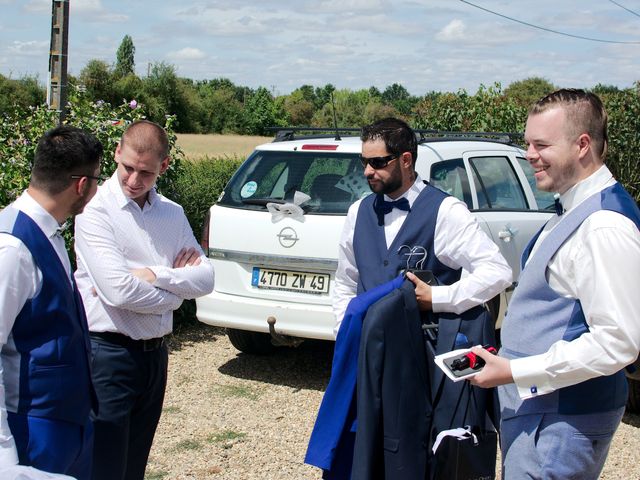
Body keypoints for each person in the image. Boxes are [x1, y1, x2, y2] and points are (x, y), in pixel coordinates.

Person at [471, 89, 640, 479]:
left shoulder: (604, 226)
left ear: (583, 145)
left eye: (541, 144)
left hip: (562, 421)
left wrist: (515, 372)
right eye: (527, 143)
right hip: (544, 415)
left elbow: (617, 341)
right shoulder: (574, 207)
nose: (529, 154)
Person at [329, 117, 512, 477]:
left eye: (378, 163)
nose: (368, 171)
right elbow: (345, 280)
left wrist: (438, 297)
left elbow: (496, 272)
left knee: (415, 455)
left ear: (406, 160)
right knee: (365, 447)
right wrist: (345, 330)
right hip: (368, 357)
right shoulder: (357, 213)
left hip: (421, 362)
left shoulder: (445, 212)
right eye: (364, 162)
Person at [74, 120, 214, 480]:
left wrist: (155, 275)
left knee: (134, 467)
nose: (134, 180)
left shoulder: (172, 213)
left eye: (146, 173)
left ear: (164, 167)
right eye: (128, 168)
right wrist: (175, 297)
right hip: (106, 355)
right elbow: (118, 291)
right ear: (117, 154)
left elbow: (206, 278)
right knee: (102, 468)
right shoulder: (94, 211)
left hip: (155, 357)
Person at [0, 125, 104, 478]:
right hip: (31, 429)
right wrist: (4, 456)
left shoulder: (50, 230)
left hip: (68, 422)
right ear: (81, 185)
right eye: (97, 180)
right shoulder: (12, 247)